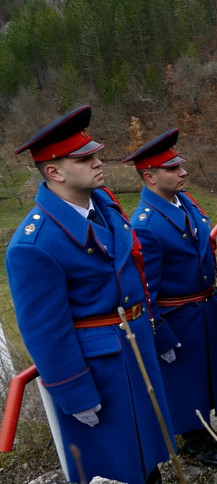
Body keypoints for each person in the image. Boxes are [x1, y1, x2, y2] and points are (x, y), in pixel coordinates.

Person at [6, 106, 173, 484]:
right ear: (54, 172)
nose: (100, 162)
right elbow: (45, 331)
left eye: (95, 153)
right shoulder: (34, 244)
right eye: (85, 158)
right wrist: (74, 392)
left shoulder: (104, 206)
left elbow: (136, 277)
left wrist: (156, 331)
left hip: (136, 348)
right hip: (101, 370)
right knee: (119, 466)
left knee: (149, 456)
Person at [124, 129, 217, 468]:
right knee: (184, 381)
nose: (183, 172)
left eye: (180, 166)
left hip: (203, 305)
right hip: (178, 316)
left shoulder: (184, 200)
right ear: (150, 177)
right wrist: (159, 333)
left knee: (206, 374)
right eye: (172, 169)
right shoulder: (145, 225)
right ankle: (192, 442)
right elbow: (146, 290)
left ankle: (203, 431)